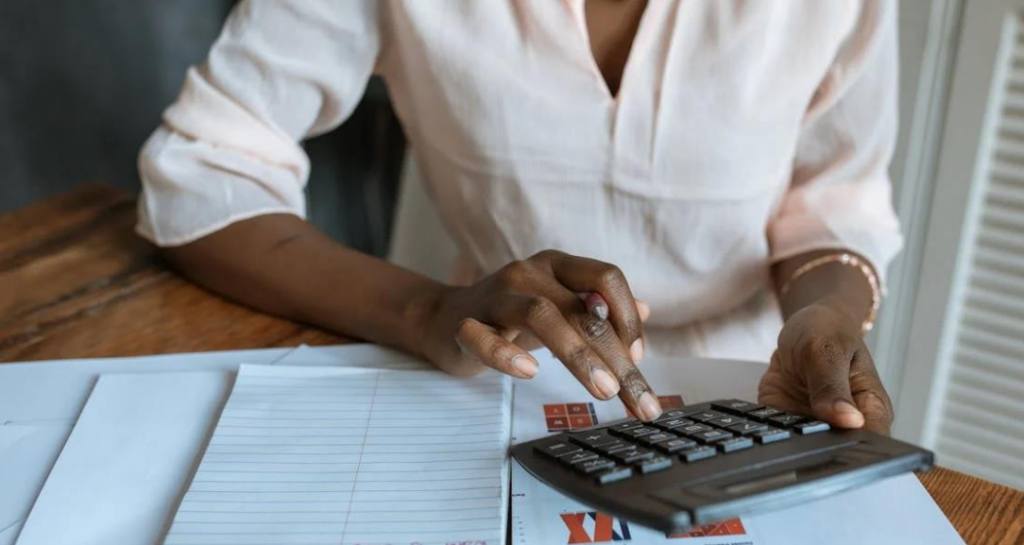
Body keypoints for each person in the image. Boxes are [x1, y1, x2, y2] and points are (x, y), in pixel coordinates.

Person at [138, 0, 899, 432]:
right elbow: (203, 170)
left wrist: (828, 312)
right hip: (495, 382)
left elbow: (835, 198)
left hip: (757, 399)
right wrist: (427, 309)